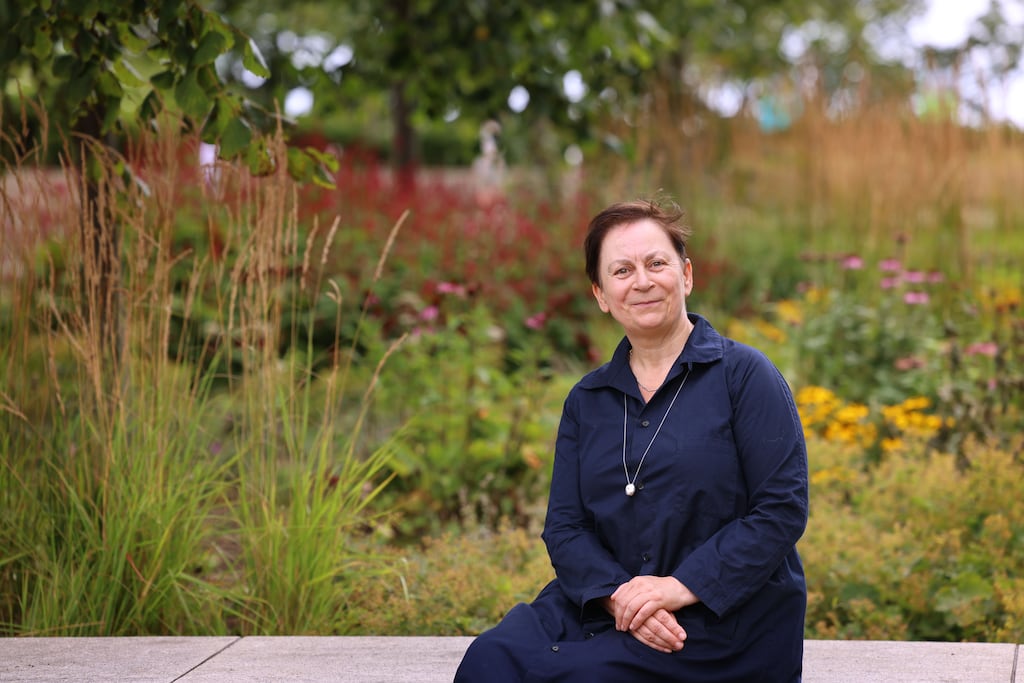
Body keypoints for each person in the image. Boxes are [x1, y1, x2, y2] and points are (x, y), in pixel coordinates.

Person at [454, 198, 809, 682]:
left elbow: (781, 510)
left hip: (719, 619)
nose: (642, 281)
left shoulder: (745, 377)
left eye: (656, 264)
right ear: (601, 294)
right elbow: (565, 528)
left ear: (685, 275)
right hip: (607, 604)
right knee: (489, 660)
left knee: (583, 678)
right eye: (622, 271)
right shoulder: (587, 400)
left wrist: (677, 588)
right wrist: (621, 596)